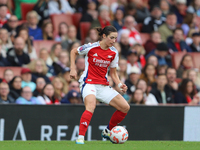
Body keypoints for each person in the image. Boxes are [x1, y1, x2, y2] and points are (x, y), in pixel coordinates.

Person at [70, 26, 130, 144]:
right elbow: (73, 51)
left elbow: (113, 73)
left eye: (115, 38)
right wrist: (72, 68)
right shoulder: (91, 47)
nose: (114, 41)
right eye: (111, 38)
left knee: (125, 107)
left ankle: (108, 131)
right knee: (91, 106)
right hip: (88, 83)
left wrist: (119, 84)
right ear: (104, 36)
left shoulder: (113, 52)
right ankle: (80, 138)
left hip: (102, 85)